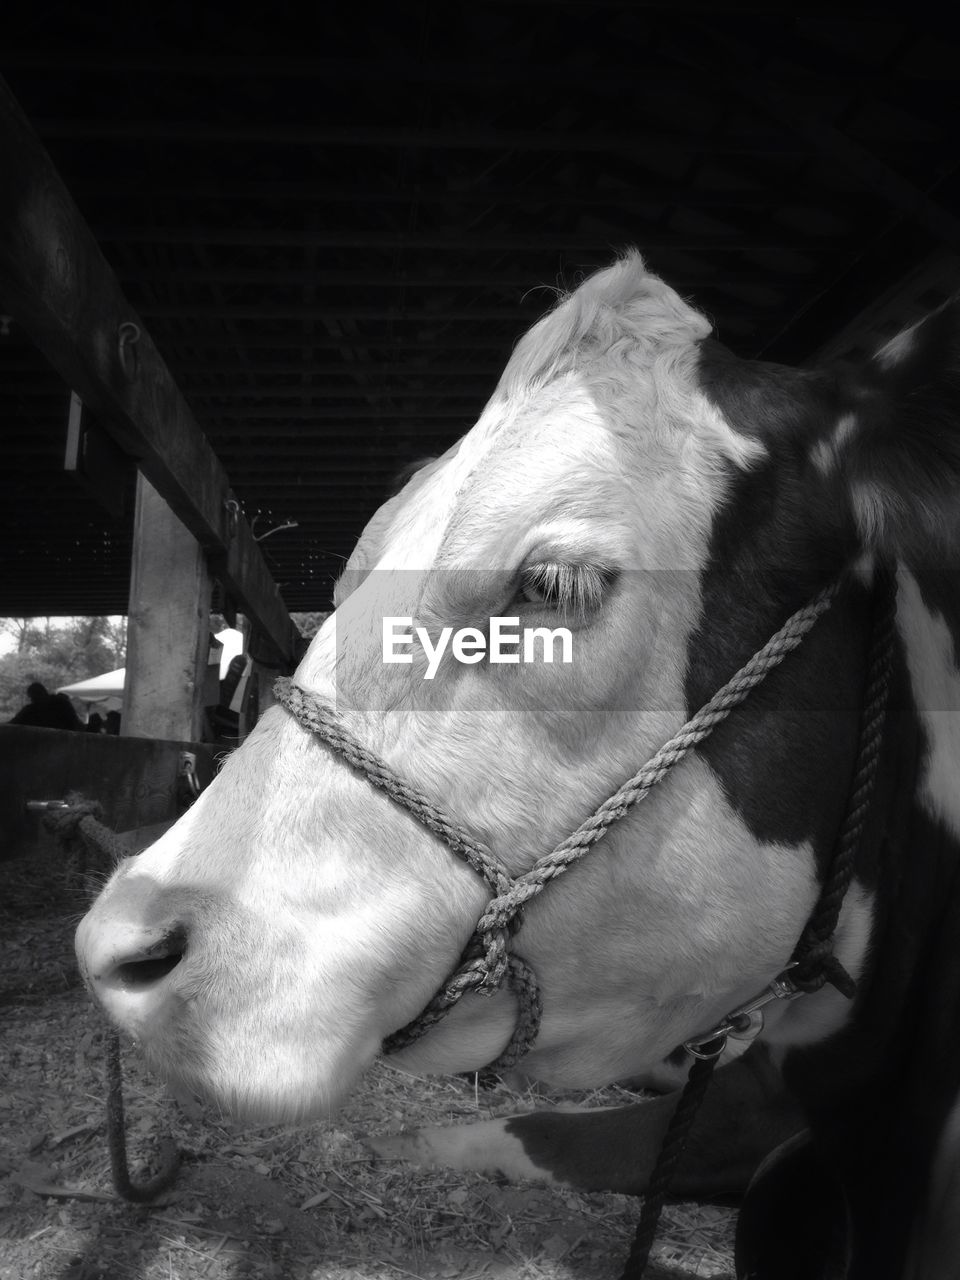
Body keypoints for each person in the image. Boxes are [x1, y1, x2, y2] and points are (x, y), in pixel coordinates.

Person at [8, 682, 81, 729]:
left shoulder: (61, 704)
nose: (33, 700)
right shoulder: (30, 710)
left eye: (34, 697)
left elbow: (13, 723)